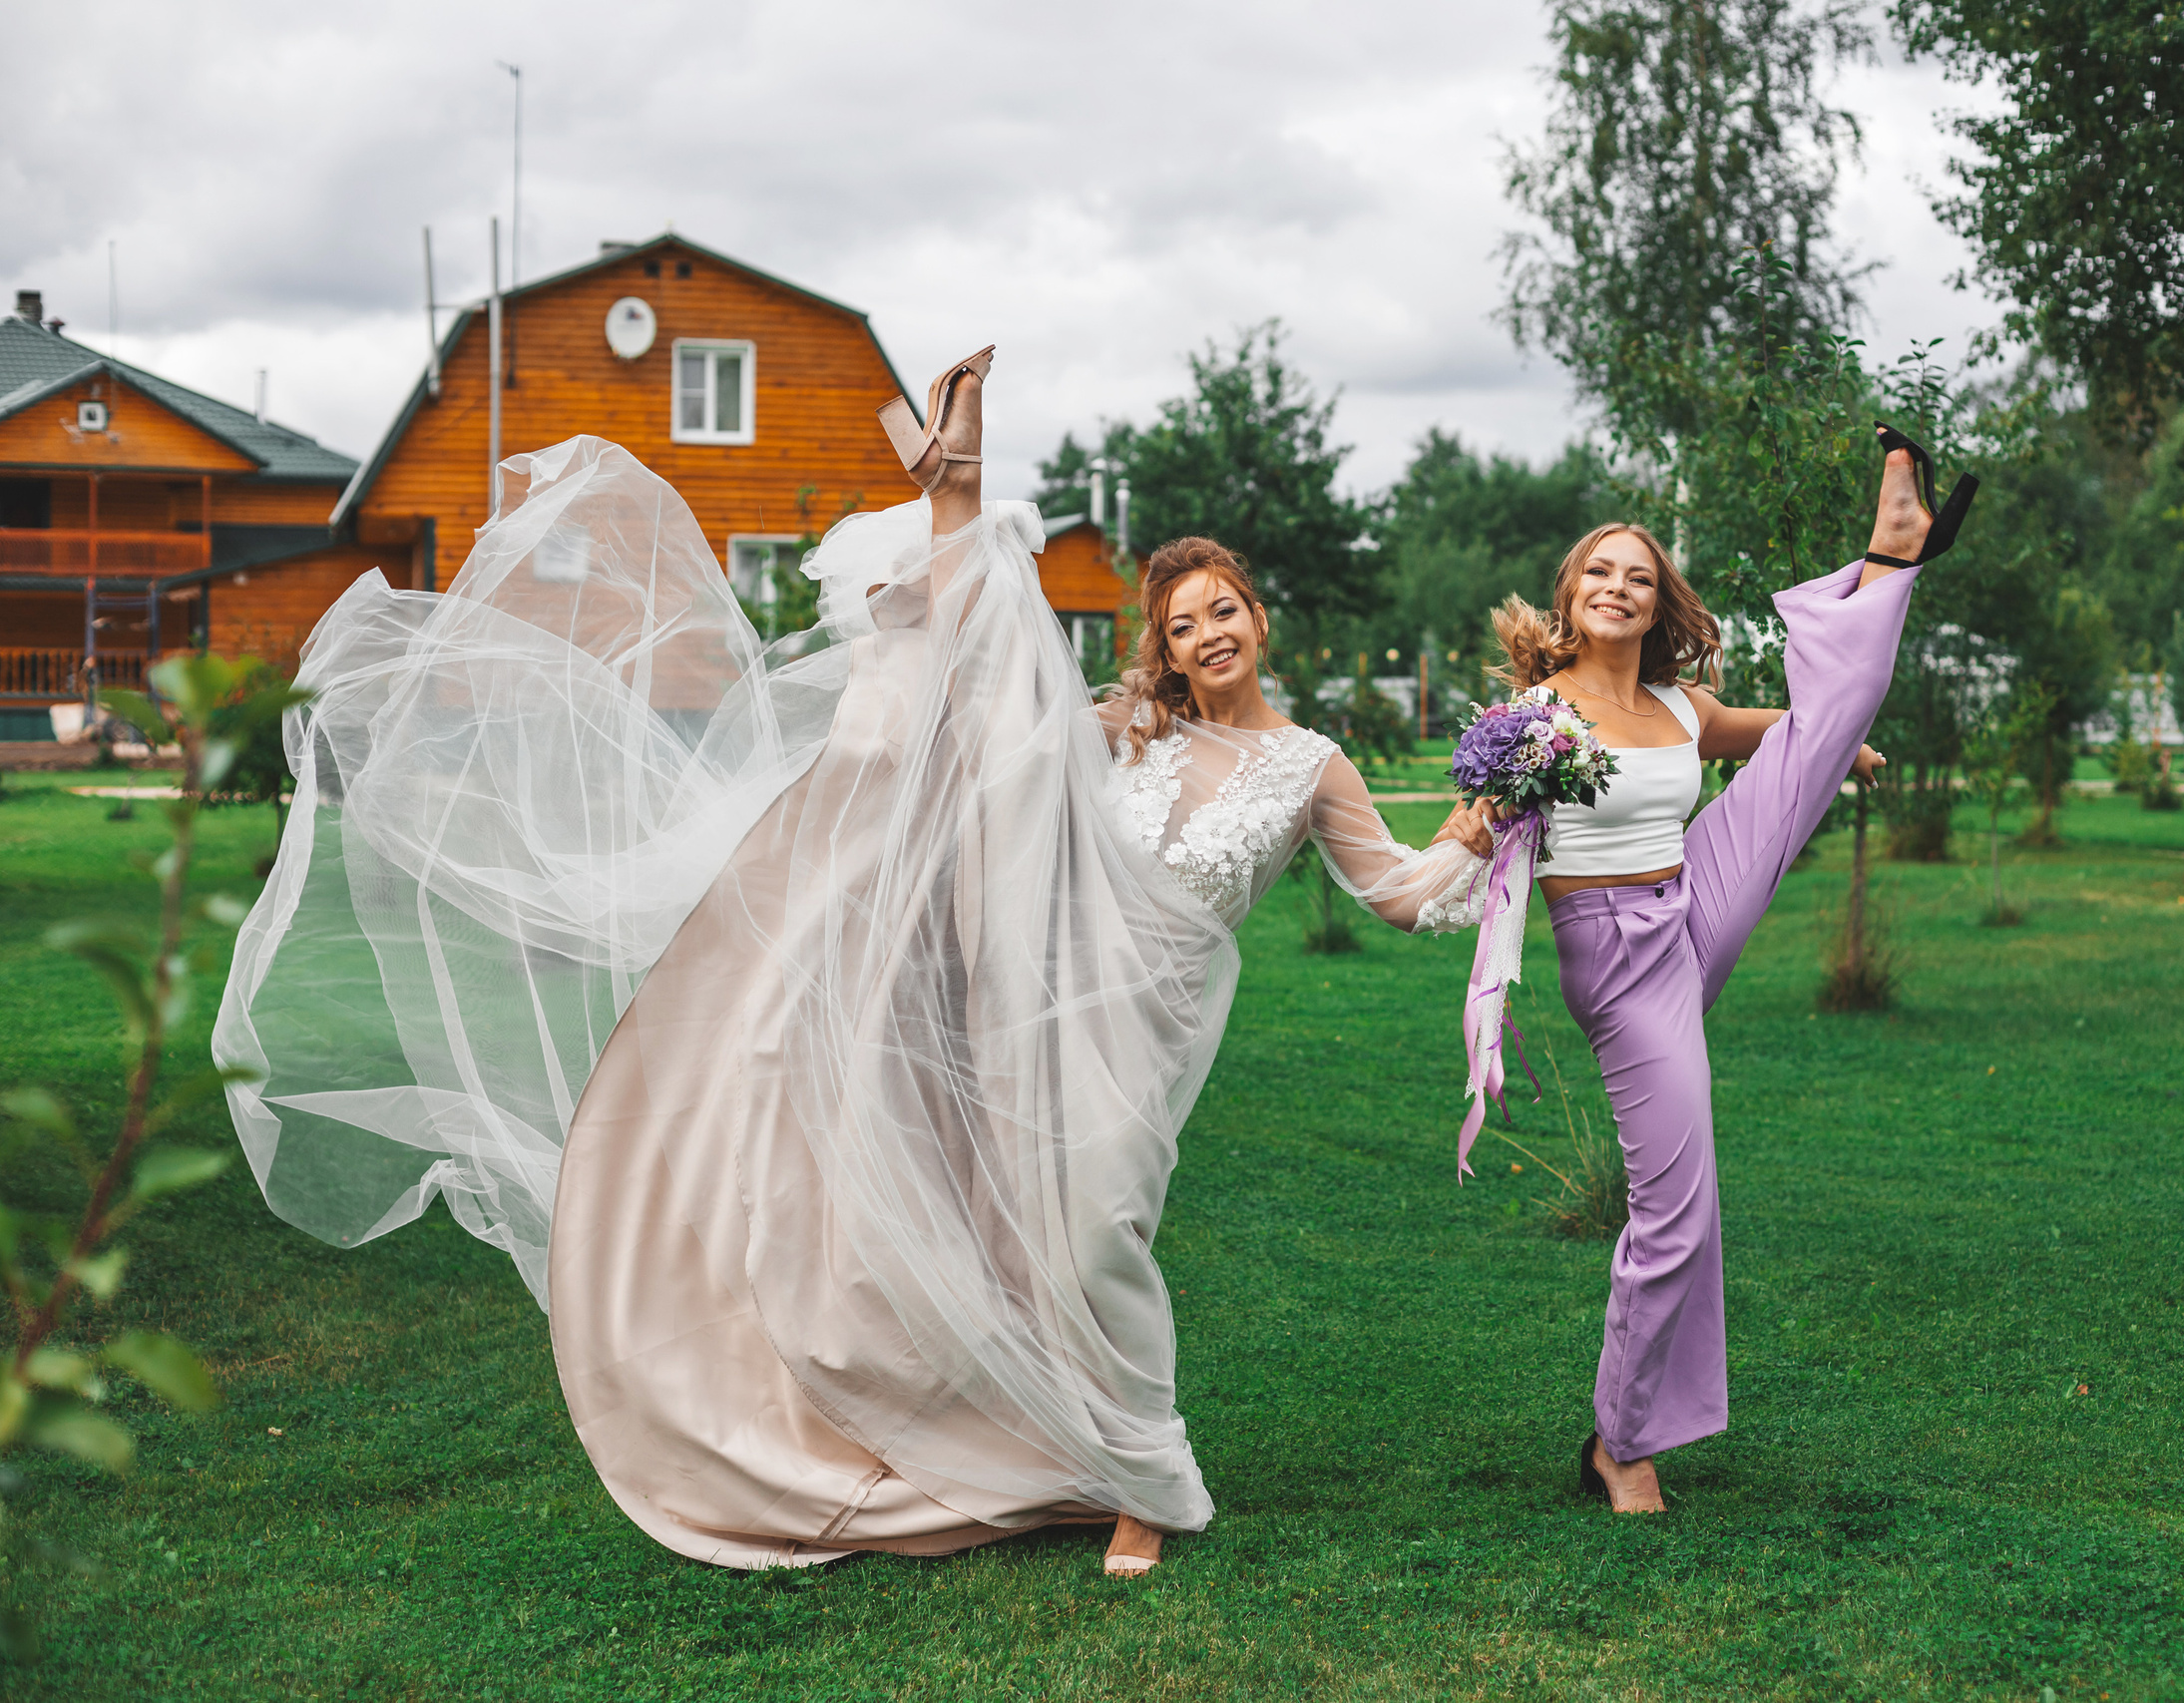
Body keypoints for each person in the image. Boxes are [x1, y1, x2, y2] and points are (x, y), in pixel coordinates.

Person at [215, 348, 1491, 1578]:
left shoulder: (1308, 763)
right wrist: (959, 497)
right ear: (1161, 642)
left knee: (1102, 1227)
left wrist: (1485, 821)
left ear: (1259, 619)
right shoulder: (1121, 728)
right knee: (1008, 1230)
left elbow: (1398, 896)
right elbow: (987, 684)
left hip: (1142, 1027)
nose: (1210, 632)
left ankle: (1145, 1477)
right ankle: (1086, 1467)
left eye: (1225, 610)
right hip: (1021, 989)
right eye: (1184, 619)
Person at [1488, 436, 1955, 1512]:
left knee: (1828, 724)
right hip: (1617, 955)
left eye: (1638, 577)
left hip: (1692, 894)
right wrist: (1478, 820)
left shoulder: (1682, 711)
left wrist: (1838, 745)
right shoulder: (1535, 718)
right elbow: (1484, 814)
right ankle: (1621, 1440)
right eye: (1600, 572)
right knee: (1677, 1211)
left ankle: (1889, 561)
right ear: (1571, 593)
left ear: (1658, 605)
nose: (1618, 587)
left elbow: (1775, 735)